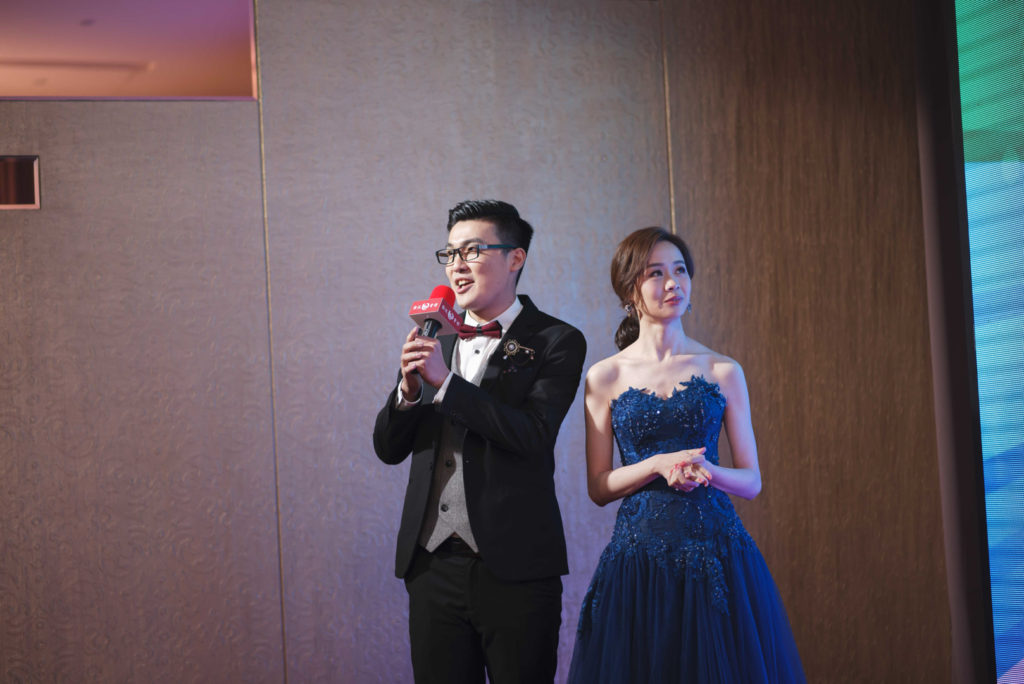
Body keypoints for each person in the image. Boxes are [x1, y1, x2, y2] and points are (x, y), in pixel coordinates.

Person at [567, 227, 805, 683]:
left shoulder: (723, 370)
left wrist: (709, 470)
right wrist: (657, 465)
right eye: (656, 273)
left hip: (717, 554)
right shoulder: (604, 376)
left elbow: (752, 481)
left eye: (679, 271)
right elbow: (599, 486)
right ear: (630, 290)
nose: (673, 283)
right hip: (639, 560)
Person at [372, 199, 587, 684]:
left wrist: (446, 385)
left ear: (515, 258)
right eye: (450, 254)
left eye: (472, 250)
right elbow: (388, 448)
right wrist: (409, 391)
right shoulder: (435, 336)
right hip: (431, 567)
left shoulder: (556, 340)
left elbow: (532, 434)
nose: (457, 265)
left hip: (516, 569)